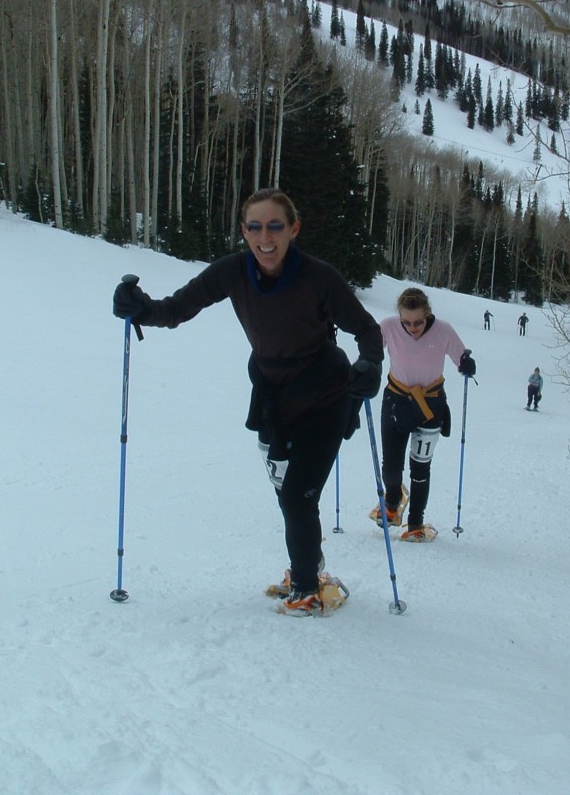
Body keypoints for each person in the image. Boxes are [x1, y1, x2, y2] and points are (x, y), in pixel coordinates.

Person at [112, 188, 383, 616]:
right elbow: (178, 308)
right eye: (255, 227)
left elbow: (367, 330)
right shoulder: (234, 271)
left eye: (275, 225)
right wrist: (139, 310)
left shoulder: (318, 277)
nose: (265, 237)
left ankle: (307, 591)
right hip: (273, 398)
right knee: (287, 495)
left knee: (298, 496)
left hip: (325, 396)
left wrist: (369, 366)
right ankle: (306, 568)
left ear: (293, 229)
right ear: (244, 232)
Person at [375, 287, 476, 542]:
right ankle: (392, 502)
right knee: (391, 467)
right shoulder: (388, 325)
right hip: (396, 400)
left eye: (418, 321)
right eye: (406, 322)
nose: (412, 327)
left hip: (430, 405)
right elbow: (373, 350)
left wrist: (466, 364)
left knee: (420, 469)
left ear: (428, 314)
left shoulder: (443, 330)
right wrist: (366, 362)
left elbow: (460, 358)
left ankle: (416, 524)